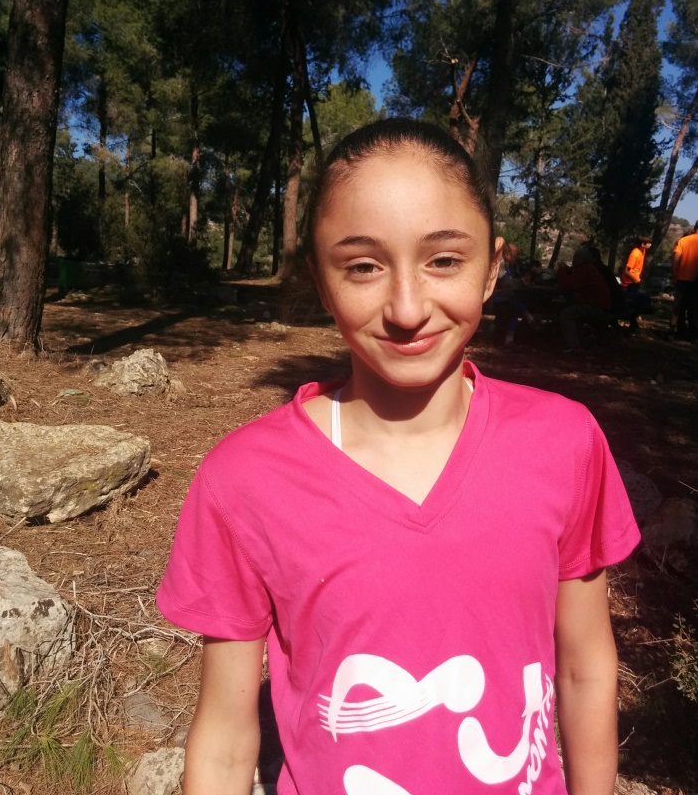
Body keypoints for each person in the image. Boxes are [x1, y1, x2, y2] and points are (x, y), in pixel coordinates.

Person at [157, 118, 640, 795]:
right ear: (319, 281)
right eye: (362, 267)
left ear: (493, 267)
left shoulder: (565, 442)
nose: (408, 309)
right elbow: (225, 743)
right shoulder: (244, 481)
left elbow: (585, 669)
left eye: (444, 260)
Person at [556, 247, 612, 350]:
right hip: (600, 304)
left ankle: (573, 346)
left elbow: (567, 284)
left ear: (580, 259)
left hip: (596, 307)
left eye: (575, 258)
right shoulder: (589, 269)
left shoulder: (585, 270)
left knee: (566, 313)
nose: (573, 261)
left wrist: (562, 270)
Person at [669, 221, 698, 342]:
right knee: (695, 308)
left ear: (695, 227)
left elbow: (676, 258)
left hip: (682, 278)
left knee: (678, 306)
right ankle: (694, 335)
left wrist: (673, 275)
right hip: (696, 281)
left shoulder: (684, 241)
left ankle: (672, 332)